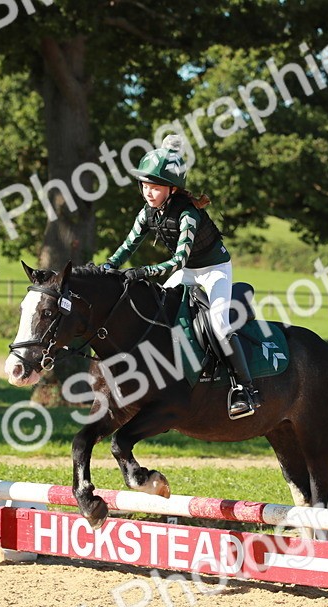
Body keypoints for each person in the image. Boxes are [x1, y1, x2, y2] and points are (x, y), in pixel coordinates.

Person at [102, 135, 261, 419]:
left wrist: (143, 271)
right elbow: (128, 245)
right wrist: (108, 266)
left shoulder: (188, 215)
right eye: (145, 186)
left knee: (219, 325)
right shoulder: (148, 213)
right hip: (188, 272)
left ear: (172, 189)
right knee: (160, 310)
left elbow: (178, 261)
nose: (148, 192)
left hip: (214, 270)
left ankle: (244, 390)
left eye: (155, 187)